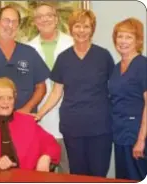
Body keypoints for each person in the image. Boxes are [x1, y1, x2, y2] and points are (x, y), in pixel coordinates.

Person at [36, 9, 115, 177]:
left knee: (98, 174)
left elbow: (115, 88)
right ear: (71, 28)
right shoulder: (64, 58)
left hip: (100, 127)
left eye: (86, 26)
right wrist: (39, 114)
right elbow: (56, 92)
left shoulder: (103, 56)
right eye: (77, 26)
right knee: (78, 175)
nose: (81, 30)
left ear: (92, 29)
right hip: (73, 127)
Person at [0, 6, 50, 119]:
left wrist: (26, 109)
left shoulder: (30, 53)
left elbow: (41, 87)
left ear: (18, 25)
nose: (10, 25)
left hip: (23, 120)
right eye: (6, 20)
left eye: (14, 21)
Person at [28, 2, 72, 174]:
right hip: (40, 120)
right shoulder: (28, 48)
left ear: (56, 18)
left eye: (49, 15)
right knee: (42, 173)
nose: (45, 19)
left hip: (69, 116)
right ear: (34, 22)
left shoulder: (72, 43)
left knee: (69, 172)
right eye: (40, 16)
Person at [109, 18, 147, 180]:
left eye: (129, 37)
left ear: (138, 40)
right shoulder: (117, 67)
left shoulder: (142, 65)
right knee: (124, 177)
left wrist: (140, 140)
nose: (123, 41)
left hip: (137, 134)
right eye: (120, 36)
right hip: (120, 134)